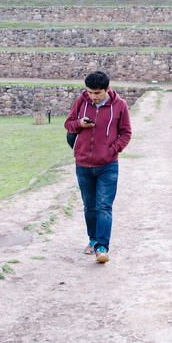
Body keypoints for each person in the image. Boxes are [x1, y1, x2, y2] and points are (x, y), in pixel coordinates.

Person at [64, 70, 132, 263]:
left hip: (108, 165)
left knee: (104, 206)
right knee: (89, 206)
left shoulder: (120, 105)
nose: (92, 97)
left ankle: (102, 247)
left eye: (97, 93)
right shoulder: (81, 101)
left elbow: (126, 133)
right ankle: (92, 240)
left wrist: (111, 150)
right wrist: (79, 124)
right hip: (83, 163)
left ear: (107, 89)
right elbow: (68, 125)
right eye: (90, 93)